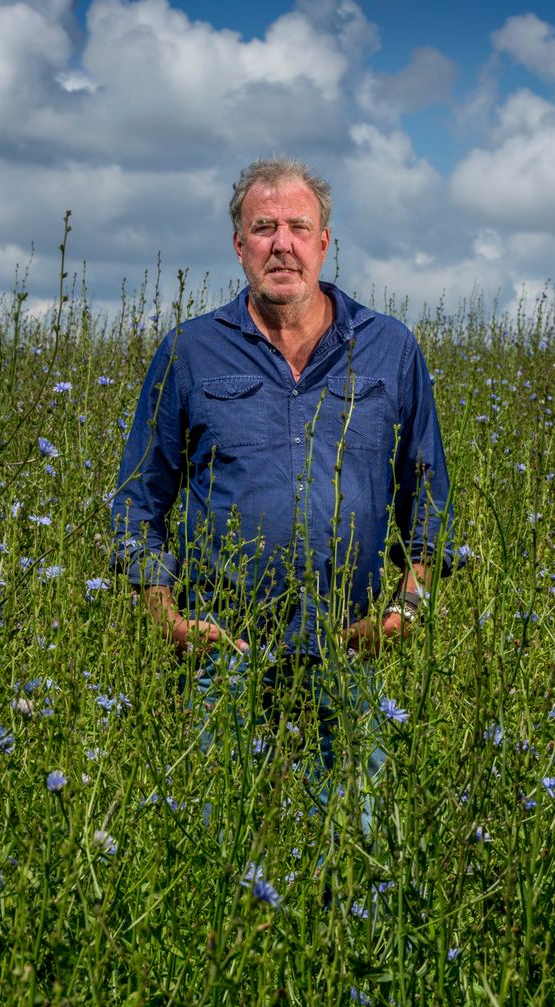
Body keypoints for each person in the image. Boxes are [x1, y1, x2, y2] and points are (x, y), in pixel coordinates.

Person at [111, 156, 453, 662]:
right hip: (223, 661)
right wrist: (168, 621)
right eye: (263, 228)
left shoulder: (390, 348)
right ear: (239, 246)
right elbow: (138, 503)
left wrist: (407, 611)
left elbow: (430, 506)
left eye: (299, 227)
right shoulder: (190, 351)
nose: (281, 244)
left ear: (323, 243)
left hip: (353, 658)